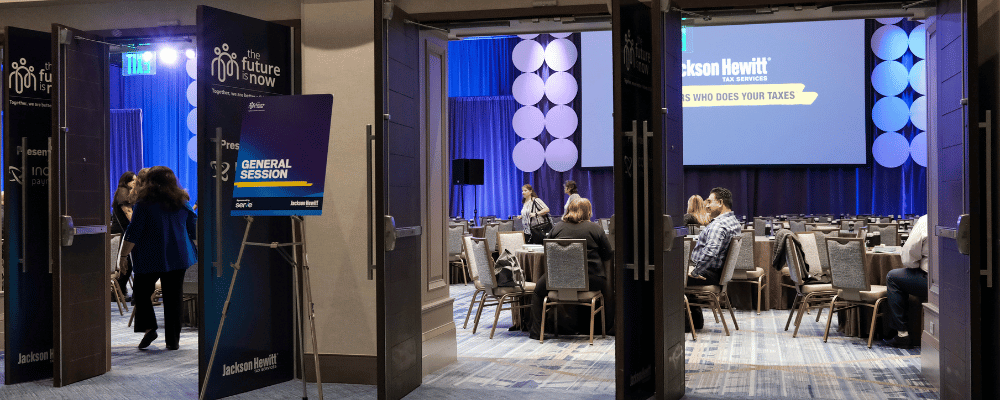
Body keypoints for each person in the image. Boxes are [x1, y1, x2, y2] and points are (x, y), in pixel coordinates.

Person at [118, 166, 197, 350]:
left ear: (149, 182)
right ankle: (173, 341)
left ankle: (150, 328)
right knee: (174, 298)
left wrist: (123, 256)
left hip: (150, 257)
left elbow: (133, 232)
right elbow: (193, 227)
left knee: (140, 292)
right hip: (179, 255)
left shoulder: (143, 204)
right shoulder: (182, 202)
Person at [528, 198, 613, 340]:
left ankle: (536, 332)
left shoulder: (557, 227)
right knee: (607, 287)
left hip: (558, 279)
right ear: (588, 212)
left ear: (569, 210)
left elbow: (547, 249)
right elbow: (608, 254)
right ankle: (602, 327)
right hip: (590, 280)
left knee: (538, 292)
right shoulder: (595, 229)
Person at [686, 187, 742, 329]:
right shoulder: (734, 222)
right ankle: (694, 320)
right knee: (680, 273)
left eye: (710, 202)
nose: (706, 205)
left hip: (708, 274)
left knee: (669, 277)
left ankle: (682, 323)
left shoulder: (719, 225)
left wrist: (695, 271)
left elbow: (710, 253)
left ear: (721, 203)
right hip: (719, 274)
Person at [883, 214, 929, 349]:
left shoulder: (926, 220)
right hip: (959, 283)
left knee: (892, 277)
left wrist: (916, 265)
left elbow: (909, 257)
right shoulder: (962, 218)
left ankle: (902, 333)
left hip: (931, 282)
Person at [111, 171, 137, 301]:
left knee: (128, 264)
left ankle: (120, 291)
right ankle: (118, 292)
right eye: (133, 180)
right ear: (126, 182)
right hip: (121, 233)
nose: (135, 183)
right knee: (126, 264)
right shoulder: (123, 192)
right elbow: (128, 213)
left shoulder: (125, 192)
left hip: (123, 232)